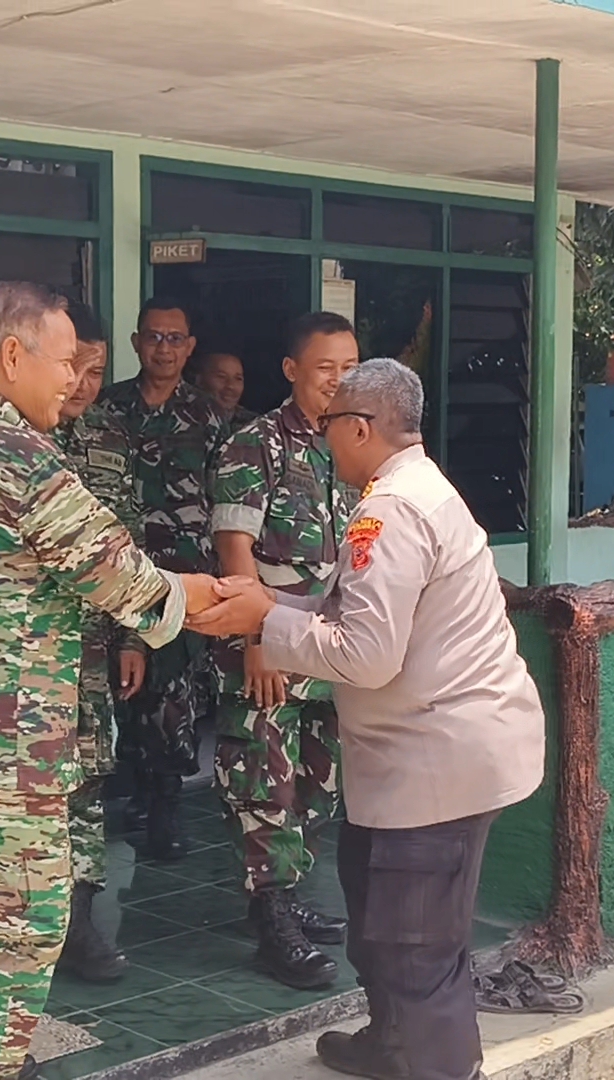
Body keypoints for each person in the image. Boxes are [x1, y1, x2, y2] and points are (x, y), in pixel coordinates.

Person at [0, 282, 258, 1080]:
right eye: (63, 362)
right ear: (11, 355)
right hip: (14, 734)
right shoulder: (20, 459)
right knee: (22, 926)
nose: (73, 379)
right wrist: (218, 598)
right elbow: (121, 577)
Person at [201, 358, 545, 1080]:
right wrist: (266, 605)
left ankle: (438, 1063)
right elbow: (349, 611)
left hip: (436, 761)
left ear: (359, 428)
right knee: (380, 916)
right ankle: (392, 1045)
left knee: (415, 949)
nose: (322, 438)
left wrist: (266, 621)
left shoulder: (389, 511)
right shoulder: (418, 490)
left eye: (330, 425)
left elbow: (366, 654)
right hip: (427, 754)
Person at [210, 312, 360, 990]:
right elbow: (233, 547)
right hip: (270, 648)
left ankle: (289, 896)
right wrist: (256, 641)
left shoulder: (354, 445)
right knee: (262, 780)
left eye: (350, 368)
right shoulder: (257, 444)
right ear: (293, 370)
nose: (338, 380)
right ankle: (271, 918)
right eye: (326, 367)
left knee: (317, 782)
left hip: (329, 652)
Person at [99, 297, 231, 859]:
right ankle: (135, 787)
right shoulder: (106, 409)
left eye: (175, 338)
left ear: (189, 346)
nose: (164, 348)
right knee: (124, 691)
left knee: (174, 696)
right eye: (154, 337)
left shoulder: (209, 416)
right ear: (136, 342)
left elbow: (225, 501)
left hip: (184, 582)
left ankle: (165, 806)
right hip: (117, 576)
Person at [47, 303, 145, 985]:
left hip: (89, 650)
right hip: (27, 654)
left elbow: (128, 542)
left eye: (97, 370)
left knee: (87, 780)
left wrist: (132, 636)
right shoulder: (17, 440)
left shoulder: (110, 433)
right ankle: (34, 924)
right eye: (73, 366)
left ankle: (80, 922)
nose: (83, 383)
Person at [196, 351, 255, 426]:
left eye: (238, 379)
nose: (231, 386)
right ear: (200, 380)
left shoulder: (253, 423)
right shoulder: (185, 418)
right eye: (221, 377)